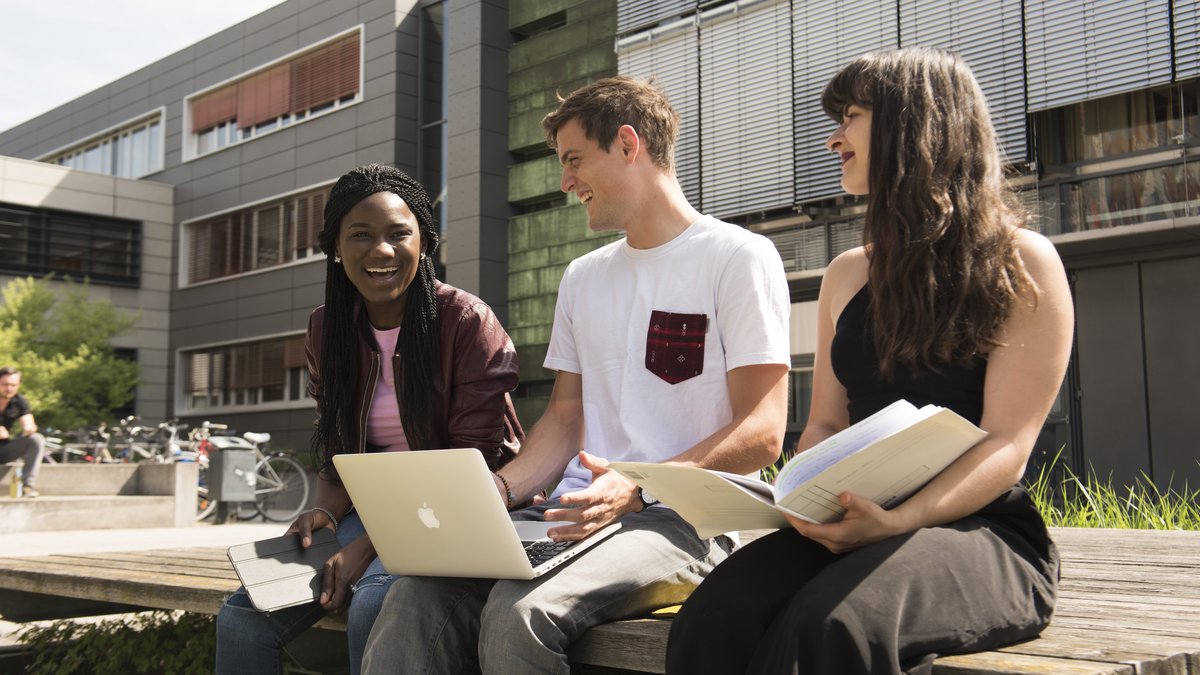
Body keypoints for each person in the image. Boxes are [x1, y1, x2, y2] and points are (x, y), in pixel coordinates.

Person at [360, 76, 792, 674]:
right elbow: (565, 418)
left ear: (626, 143)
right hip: (571, 517)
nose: (565, 183)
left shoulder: (737, 257)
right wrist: (500, 491)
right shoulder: (584, 277)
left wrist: (641, 486)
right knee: (417, 593)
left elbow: (764, 432)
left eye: (573, 161)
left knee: (520, 614)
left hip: (687, 523)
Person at [665, 47, 1075, 675]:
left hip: (978, 530)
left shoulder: (1023, 261)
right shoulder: (847, 274)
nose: (834, 140)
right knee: (714, 617)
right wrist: (805, 489)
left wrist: (900, 521)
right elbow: (827, 422)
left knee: (830, 627)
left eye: (850, 116)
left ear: (913, 125)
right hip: (851, 521)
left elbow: (1006, 444)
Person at [215, 164, 525, 675]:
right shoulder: (326, 327)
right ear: (336, 247)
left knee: (372, 607)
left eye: (398, 234)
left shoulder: (467, 322)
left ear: (423, 242)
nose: (381, 251)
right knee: (243, 617)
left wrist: (365, 545)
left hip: (460, 514)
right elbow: (339, 449)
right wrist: (327, 516)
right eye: (360, 235)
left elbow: (472, 468)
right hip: (374, 516)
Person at [0, 366, 46, 498]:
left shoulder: (19, 401)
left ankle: (27, 486)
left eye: (13, 385)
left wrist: (28, 428)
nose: (9, 389)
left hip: (3, 450)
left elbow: (29, 423)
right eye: (5, 384)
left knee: (36, 439)